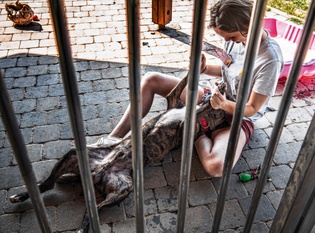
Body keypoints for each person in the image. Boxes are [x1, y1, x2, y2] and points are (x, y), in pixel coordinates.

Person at [88, 0, 283, 177]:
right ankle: (111, 139)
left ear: (247, 27)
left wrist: (223, 105)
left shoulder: (269, 60)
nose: (229, 42)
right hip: (214, 99)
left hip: (237, 117)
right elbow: (227, 70)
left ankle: (196, 130)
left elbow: (252, 108)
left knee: (217, 167)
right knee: (151, 79)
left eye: (231, 38)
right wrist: (204, 68)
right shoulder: (236, 38)